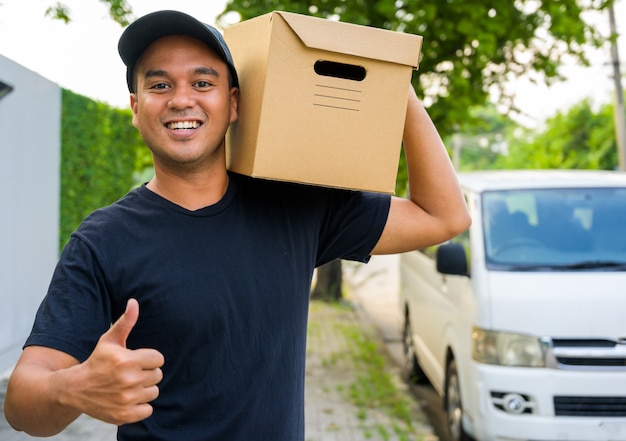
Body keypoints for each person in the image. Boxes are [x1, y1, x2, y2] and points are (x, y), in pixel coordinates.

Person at [3, 9, 470, 441]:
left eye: (202, 82)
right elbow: (22, 403)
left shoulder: (293, 205)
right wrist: (73, 389)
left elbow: (443, 215)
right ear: (135, 106)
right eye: (160, 85)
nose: (181, 99)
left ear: (234, 104)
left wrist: (394, 80)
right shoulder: (103, 239)